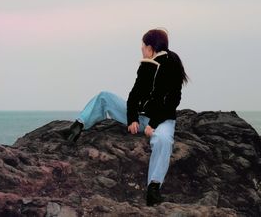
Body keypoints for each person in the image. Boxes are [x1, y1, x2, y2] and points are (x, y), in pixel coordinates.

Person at [64, 28, 189, 206]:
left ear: (151, 47)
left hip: (162, 120)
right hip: (140, 116)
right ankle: (78, 125)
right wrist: (132, 119)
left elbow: (172, 100)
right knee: (104, 96)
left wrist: (152, 124)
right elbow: (134, 95)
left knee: (163, 141)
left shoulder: (172, 64)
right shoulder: (146, 65)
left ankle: (153, 188)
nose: (141, 49)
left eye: (143, 45)